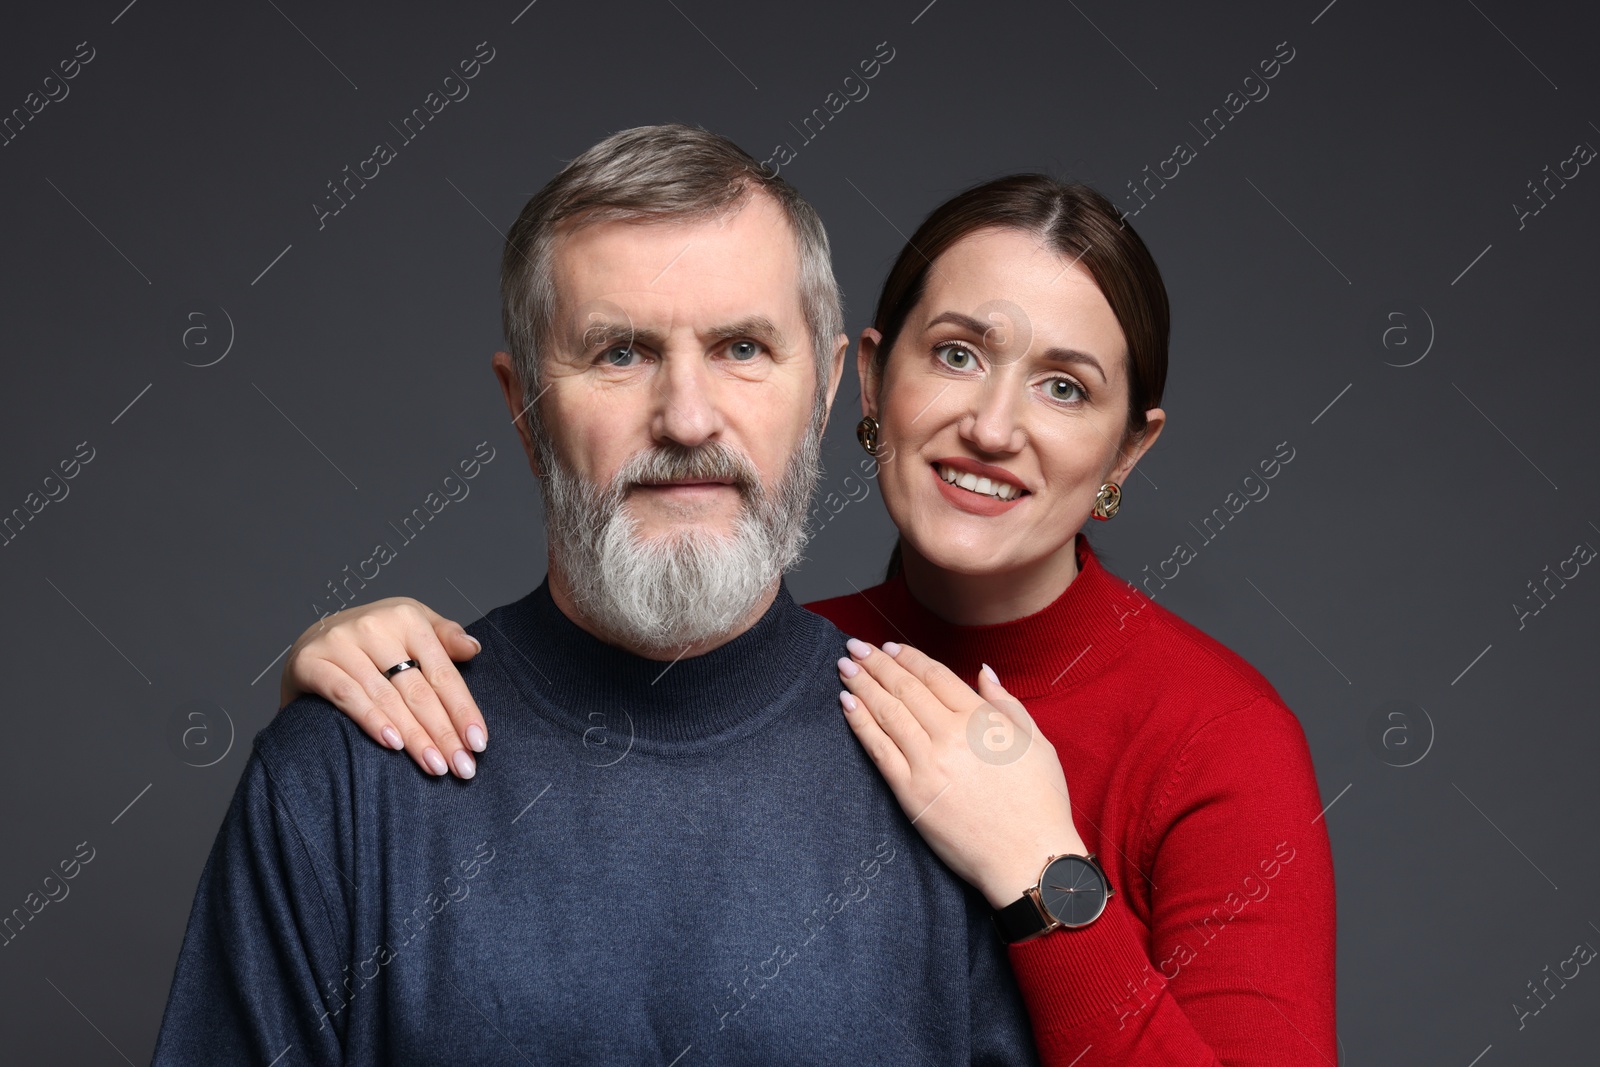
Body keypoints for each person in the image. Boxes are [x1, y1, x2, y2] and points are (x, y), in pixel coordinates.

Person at [280, 168, 1339, 1065]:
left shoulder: (1219, 735)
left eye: (1064, 387)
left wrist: (1044, 873)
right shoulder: (768, 658)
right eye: (958, 353)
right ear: (869, 378)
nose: (991, 424)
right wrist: (342, 710)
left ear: (1126, 449)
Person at [152, 124, 1039, 1065]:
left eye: (742, 347)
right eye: (621, 353)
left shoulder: (961, 787)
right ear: (523, 404)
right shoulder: (341, 780)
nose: (688, 418)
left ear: (823, 389)